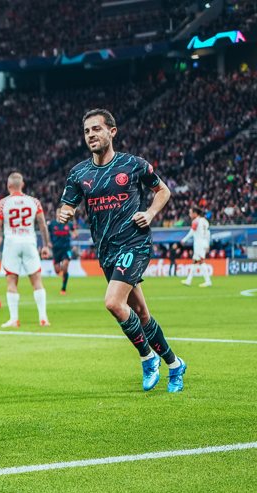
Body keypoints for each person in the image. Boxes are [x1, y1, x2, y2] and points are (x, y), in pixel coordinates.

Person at [58, 108, 186, 392]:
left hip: (134, 243)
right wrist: (64, 213)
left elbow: (163, 191)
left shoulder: (133, 165)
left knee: (114, 303)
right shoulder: (79, 173)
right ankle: (175, 364)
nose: (91, 134)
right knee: (140, 313)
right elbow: (67, 205)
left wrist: (150, 214)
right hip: (106, 252)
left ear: (112, 131)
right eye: (87, 130)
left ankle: (147, 358)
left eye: (97, 129)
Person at [0, 173, 52, 327]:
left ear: (8, 185)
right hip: (29, 242)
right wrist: (45, 245)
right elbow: (43, 225)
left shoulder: (2, 203)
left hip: (11, 243)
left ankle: (14, 319)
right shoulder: (34, 202)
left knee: (11, 281)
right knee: (37, 281)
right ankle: (43, 318)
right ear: (22, 185)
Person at [48, 208, 79, 295]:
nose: (60, 214)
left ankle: (63, 289)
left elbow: (74, 233)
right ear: (57, 214)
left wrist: (75, 235)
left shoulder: (69, 224)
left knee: (65, 266)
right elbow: (46, 233)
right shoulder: (52, 224)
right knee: (57, 271)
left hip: (66, 248)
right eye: (59, 212)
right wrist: (48, 242)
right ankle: (61, 268)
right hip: (56, 249)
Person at [181, 206, 211, 287]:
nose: (190, 214)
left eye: (190, 213)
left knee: (201, 261)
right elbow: (208, 233)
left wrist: (184, 240)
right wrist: (208, 244)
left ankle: (208, 281)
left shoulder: (195, 221)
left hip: (199, 244)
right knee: (194, 260)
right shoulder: (205, 221)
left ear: (195, 213)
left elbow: (192, 232)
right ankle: (188, 280)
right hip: (204, 242)